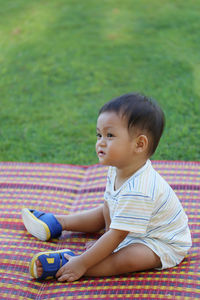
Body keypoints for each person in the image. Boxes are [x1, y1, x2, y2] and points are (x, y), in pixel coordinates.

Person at [22, 92, 192, 282]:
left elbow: (117, 236)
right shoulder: (117, 168)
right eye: (99, 134)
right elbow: (108, 207)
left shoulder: (140, 190)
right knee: (103, 212)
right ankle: (57, 222)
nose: (100, 142)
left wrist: (87, 260)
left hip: (159, 241)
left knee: (128, 259)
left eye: (110, 135)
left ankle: (72, 264)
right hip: (129, 227)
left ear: (139, 144)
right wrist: (104, 241)